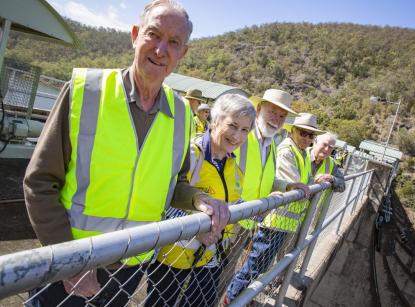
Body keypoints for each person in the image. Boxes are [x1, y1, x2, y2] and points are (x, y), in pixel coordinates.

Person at [23, 1, 229, 306]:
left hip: (130, 268)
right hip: (70, 262)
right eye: (153, 35)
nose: (160, 50)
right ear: (135, 35)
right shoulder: (85, 91)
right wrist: (68, 261)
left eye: (173, 42)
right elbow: (39, 182)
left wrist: (199, 199)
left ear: (182, 53)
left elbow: (175, 184)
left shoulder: (182, 115)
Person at [147, 94, 256, 306]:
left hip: (211, 257)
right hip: (173, 257)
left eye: (245, 130)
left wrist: (260, 206)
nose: (237, 136)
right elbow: (167, 196)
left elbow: (231, 200)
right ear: (215, 121)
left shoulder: (232, 164)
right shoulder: (190, 153)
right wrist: (197, 227)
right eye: (232, 125)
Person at [226, 89, 311, 302]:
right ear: (258, 109)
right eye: (272, 112)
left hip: (246, 221)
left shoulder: (270, 144)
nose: (277, 119)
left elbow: (268, 179)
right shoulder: (243, 136)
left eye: (282, 116)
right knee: (209, 277)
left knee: (224, 276)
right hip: (227, 217)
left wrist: (288, 185)